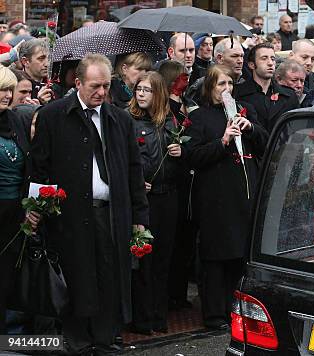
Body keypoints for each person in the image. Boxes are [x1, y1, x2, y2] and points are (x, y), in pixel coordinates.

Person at [30, 53, 148, 355]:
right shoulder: (54, 115)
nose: (102, 93)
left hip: (111, 212)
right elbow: (39, 168)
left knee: (111, 277)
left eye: (107, 86)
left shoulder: (119, 118)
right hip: (70, 215)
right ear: (78, 82)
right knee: (78, 276)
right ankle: (78, 341)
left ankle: (105, 339)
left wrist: (139, 216)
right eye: (95, 86)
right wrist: (35, 209)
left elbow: (134, 170)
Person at [185, 65, 268, 330]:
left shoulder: (246, 111)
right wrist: (221, 142)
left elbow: (265, 142)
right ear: (210, 88)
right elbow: (193, 156)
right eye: (221, 84)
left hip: (245, 193)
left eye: (230, 84)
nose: (227, 89)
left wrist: (251, 128)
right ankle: (214, 314)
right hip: (216, 197)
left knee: (239, 256)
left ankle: (238, 311)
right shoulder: (201, 118)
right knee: (216, 258)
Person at [128, 71, 181, 335]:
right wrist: (137, 184)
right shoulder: (129, 121)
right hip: (144, 200)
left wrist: (180, 154)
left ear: (158, 93)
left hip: (166, 198)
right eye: (139, 89)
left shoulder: (170, 123)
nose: (141, 94)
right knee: (143, 260)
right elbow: (125, 161)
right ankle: (143, 317)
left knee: (163, 260)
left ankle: (159, 316)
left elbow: (181, 168)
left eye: (147, 90)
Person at [159, 60, 199, 312]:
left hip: (188, 181)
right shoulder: (166, 109)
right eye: (181, 79)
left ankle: (179, 292)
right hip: (172, 182)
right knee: (172, 243)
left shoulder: (187, 105)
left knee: (185, 242)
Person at [0, 67, 37, 336]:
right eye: (1, 89)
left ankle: (9, 338)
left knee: (10, 275)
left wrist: (31, 205)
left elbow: (29, 164)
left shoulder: (15, 121)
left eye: (9, 89)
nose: (7, 94)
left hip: (15, 211)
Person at [234, 43, 299, 133]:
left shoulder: (289, 95)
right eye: (264, 58)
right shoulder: (238, 93)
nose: (270, 63)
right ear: (252, 65)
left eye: (272, 59)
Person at [19, 39, 53, 104]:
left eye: (49, 58)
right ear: (25, 61)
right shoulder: (15, 85)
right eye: (41, 58)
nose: (47, 64)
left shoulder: (54, 87)